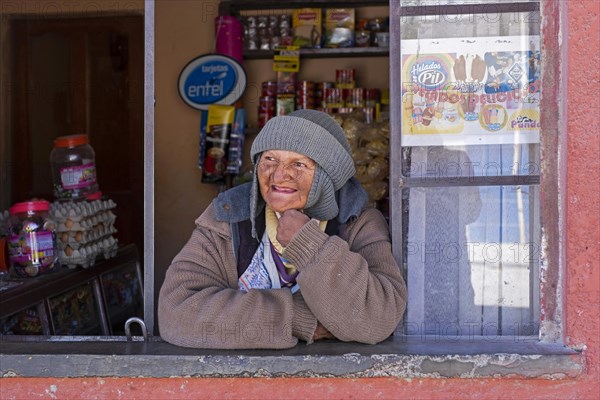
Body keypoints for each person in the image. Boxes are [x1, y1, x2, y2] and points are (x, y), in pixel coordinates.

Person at [158, 109, 407, 349]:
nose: (278, 175)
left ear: (326, 175)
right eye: (269, 159)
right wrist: (298, 318)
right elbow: (177, 313)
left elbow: (376, 319)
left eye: (298, 164)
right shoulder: (228, 217)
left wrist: (308, 244)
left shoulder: (358, 222)